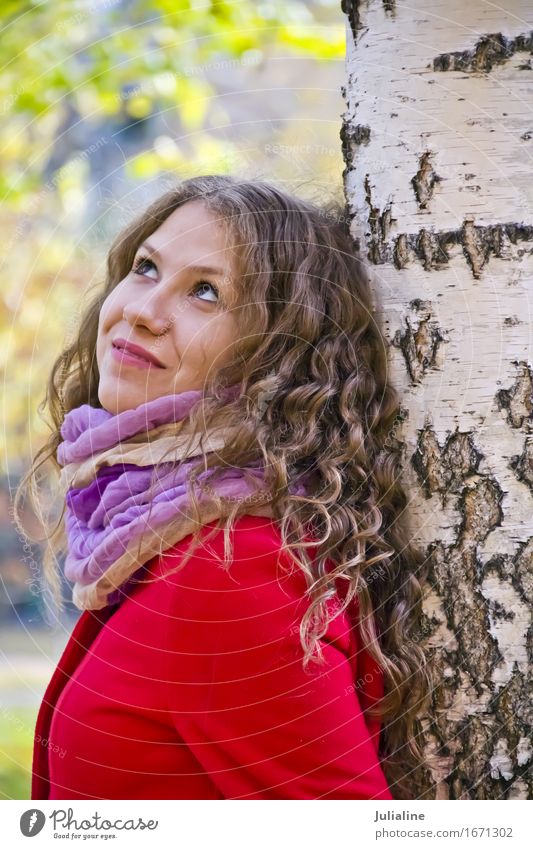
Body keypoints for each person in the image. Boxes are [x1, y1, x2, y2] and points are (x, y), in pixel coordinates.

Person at [16, 174, 431, 800]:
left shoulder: (231, 569)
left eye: (205, 292)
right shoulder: (164, 534)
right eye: (146, 267)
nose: (141, 310)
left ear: (274, 356)